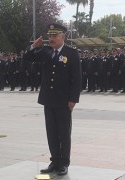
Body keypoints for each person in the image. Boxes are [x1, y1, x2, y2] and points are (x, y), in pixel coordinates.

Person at [24, 23, 81, 176]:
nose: (51, 38)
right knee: (51, 132)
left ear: (63, 36)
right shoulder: (45, 51)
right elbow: (27, 59)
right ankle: (54, 160)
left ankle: (64, 163)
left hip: (64, 100)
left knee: (64, 133)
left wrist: (73, 99)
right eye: (50, 36)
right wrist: (33, 47)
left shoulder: (72, 53)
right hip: (48, 99)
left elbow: (77, 79)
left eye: (54, 35)